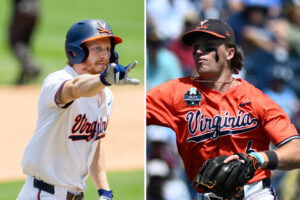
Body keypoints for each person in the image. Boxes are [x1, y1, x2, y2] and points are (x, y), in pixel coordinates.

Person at [146, 19, 300, 200]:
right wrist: (104, 83)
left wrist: (258, 159)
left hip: (254, 193)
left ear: (229, 53)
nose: (198, 51)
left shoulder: (255, 100)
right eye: (195, 46)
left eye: (209, 46)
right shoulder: (177, 93)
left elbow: (296, 150)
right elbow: (128, 110)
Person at [17, 19, 140, 200]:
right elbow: (74, 88)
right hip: (43, 194)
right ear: (77, 51)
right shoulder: (57, 80)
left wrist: (104, 190)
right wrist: (103, 80)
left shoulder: (106, 95)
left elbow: (94, 142)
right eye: (97, 48)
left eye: (108, 49)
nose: (105, 55)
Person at [9, 0, 41, 85]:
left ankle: (30, 67)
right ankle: (22, 76)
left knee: (16, 41)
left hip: (22, 9)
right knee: (26, 43)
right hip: (36, 9)